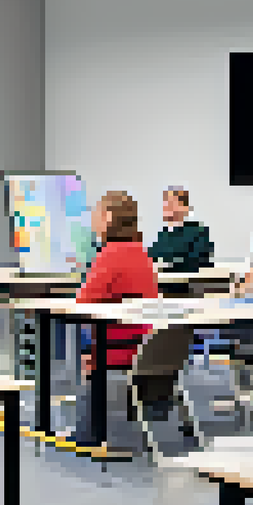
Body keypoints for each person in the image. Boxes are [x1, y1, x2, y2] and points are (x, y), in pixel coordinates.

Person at [72, 191, 158, 448]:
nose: (92, 220)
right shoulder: (140, 253)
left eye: (96, 213)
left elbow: (82, 302)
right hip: (145, 345)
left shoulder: (111, 255)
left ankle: (87, 434)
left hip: (118, 349)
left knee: (80, 340)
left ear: (108, 217)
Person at [147, 187, 213, 273]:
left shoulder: (198, 232)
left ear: (184, 208)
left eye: (171, 203)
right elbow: (150, 259)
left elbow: (197, 264)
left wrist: (165, 266)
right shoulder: (163, 235)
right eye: (165, 202)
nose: (167, 206)